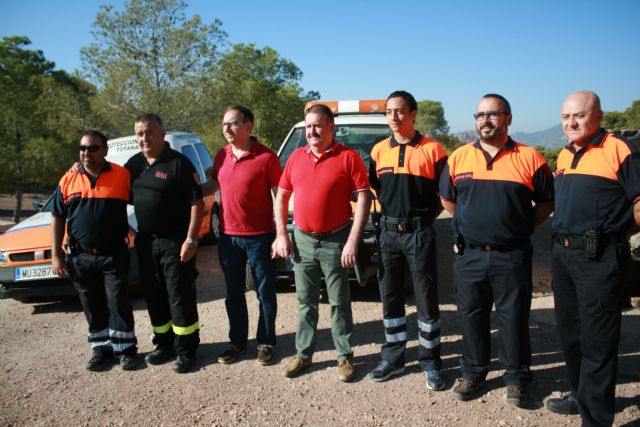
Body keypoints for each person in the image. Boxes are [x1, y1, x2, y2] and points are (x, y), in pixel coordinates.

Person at [439, 94, 554, 407]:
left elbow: (545, 204)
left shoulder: (531, 157)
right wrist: (470, 225)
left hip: (512, 254)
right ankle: (473, 372)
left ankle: (516, 377)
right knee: (472, 316)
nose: (484, 121)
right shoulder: (459, 157)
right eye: (480, 115)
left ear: (508, 119)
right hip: (469, 255)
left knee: (513, 317)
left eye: (492, 114)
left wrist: (517, 226)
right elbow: (448, 201)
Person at [546, 91, 640, 425]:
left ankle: (596, 419)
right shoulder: (563, 154)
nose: (571, 123)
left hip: (599, 255)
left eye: (579, 116)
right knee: (571, 335)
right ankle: (581, 395)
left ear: (598, 115)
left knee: (598, 340)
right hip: (564, 255)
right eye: (566, 117)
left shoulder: (620, 149)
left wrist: (619, 233)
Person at [272, 104, 371, 382]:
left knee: (339, 301)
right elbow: (281, 197)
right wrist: (282, 234)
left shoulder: (348, 157)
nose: (311, 131)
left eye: (317, 125)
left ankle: (344, 357)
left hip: (335, 240)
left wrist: (353, 240)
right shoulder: (294, 158)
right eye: (308, 126)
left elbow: (364, 197)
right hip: (302, 239)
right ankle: (304, 355)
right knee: (306, 302)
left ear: (331, 128)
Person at [367, 90, 448, 391]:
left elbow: (445, 196)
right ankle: (393, 357)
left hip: (419, 233)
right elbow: (377, 188)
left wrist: (423, 219)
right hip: (387, 234)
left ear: (413, 113)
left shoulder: (434, 150)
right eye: (388, 111)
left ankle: (431, 361)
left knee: (426, 297)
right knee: (390, 296)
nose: (393, 117)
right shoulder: (378, 151)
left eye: (399, 111)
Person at [51, 130, 138, 371]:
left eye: (92, 148)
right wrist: (56, 254)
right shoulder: (68, 179)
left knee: (117, 300)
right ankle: (101, 349)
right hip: (80, 256)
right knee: (91, 302)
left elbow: (146, 198)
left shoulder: (122, 175)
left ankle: (126, 349)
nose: (86, 153)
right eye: (83, 148)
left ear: (105, 151)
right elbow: (57, 216)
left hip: (114, 253)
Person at [125, 113, 204, 374]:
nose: (144, 138)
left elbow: (197, 203)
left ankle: (187, 349)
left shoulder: (178, 164)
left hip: (176, 242)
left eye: (149, 132)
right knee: (154, 295)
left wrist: (191, 240)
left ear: (162, 133)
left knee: (179, 296)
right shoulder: (133, 165)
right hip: (146, 242)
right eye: (139, 133)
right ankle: (165, 344)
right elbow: (114, 196)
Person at [209, 105, 282, 366]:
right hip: (228, 237)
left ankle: (266, 342)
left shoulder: (267, 157)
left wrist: (280, 234)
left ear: (248, 126)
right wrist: (186, 186)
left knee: (265, 291)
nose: (227, 128)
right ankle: (237, 342)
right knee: (233, 292)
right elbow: (212, 184)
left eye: (233, 123)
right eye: (224, 124)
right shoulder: (221, 155)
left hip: (260, 236)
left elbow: (280, 196)